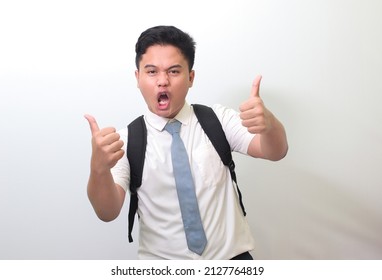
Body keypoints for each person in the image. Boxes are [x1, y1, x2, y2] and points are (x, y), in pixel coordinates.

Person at [84, 25, 288, 260]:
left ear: (190, 77)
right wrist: (98, 169)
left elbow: (276, 151)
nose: (162, 81)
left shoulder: (217, 120)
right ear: (137, 78)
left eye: (173, 71)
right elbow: (107, 212)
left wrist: (270, 125)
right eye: (151, 72)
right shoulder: (126, 141)